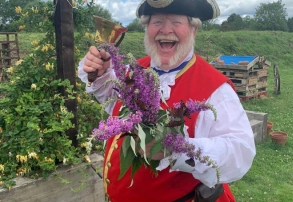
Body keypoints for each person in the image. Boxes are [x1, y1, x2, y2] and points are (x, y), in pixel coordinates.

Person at [78, 0, 256, 201]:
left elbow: (240, 152)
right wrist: (101, 73)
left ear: (193, 29)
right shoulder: (134, 70)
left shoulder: (216, 90)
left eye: (176, 22)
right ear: (147, 28)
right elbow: (113, 103)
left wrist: (175, 148)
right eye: (158, 22)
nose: (166, 30)